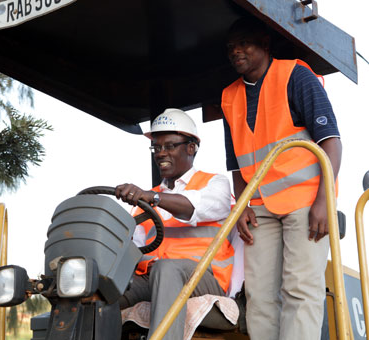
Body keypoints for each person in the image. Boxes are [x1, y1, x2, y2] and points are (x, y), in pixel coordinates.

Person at [221, 16, 342, 340]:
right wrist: (240, 206)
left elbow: (330, 142)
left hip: (305, 202)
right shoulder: (229, 97)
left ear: (264, 44)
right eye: (232, 48)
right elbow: (236, 163)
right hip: (259, 207)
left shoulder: (295, 76)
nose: (237, 52)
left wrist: (323, 201)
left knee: (299, 288)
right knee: (259, 296)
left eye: (244, 43)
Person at [115, 108, 242, 340]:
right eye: (157, 147)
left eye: (169, 146)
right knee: (101, 294)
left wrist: (152, 198)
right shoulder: (146, 199)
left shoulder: (214, 184)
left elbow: (194, 207)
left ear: (191, 147)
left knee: (168, 268)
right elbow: (136, 249)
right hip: (156, 277)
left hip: (205, 279)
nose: (161, 153)